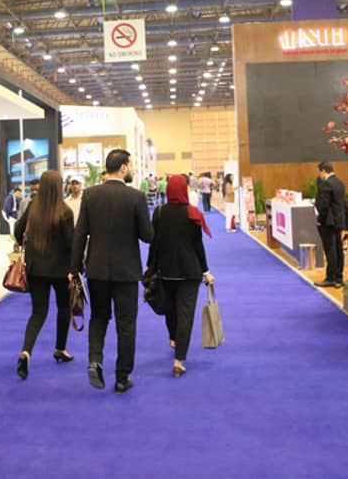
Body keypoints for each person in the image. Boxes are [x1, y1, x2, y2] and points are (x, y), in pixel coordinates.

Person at [68, 149, 154, 394]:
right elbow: (147, 236)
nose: (132, 169)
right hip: (126, 272)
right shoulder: (136, 197)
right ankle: (122, 377)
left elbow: (80, 234)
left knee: (98, 317)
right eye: (131, 165)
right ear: (123, 168)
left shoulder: (90, 195)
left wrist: (73, 269)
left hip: (97, 270)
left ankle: (95, 361)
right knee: (126, 324)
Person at [147, 175, 211, 378]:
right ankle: (178, 361)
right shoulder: (192, 213)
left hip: (165, 271)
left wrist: (150, 266)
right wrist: (205, 270)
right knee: (185, 315)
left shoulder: (159, 212)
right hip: (190, 273)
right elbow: (198, 245)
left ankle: (173, 338)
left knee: (170, 310)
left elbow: (154, 243)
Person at [14, 170, 76, 379]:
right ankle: (60, 348)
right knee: (64, 307)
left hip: (35, 269)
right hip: (60, 270)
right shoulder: (65, 211)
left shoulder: (33, 207)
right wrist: (75, 268)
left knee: (38, 313)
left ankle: (26, 351)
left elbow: (18, 230)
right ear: (59, 187)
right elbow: (71, 243)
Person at [314, 161, 346, 288]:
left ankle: (331, 277)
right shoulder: (339, 182)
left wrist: (320, 219)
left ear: (323, 171)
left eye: (320, 172)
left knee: (330, 249)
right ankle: (339, 277)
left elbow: (323, 205)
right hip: (338, 221)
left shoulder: (326, 184)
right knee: (338, 248)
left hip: (328, 222)